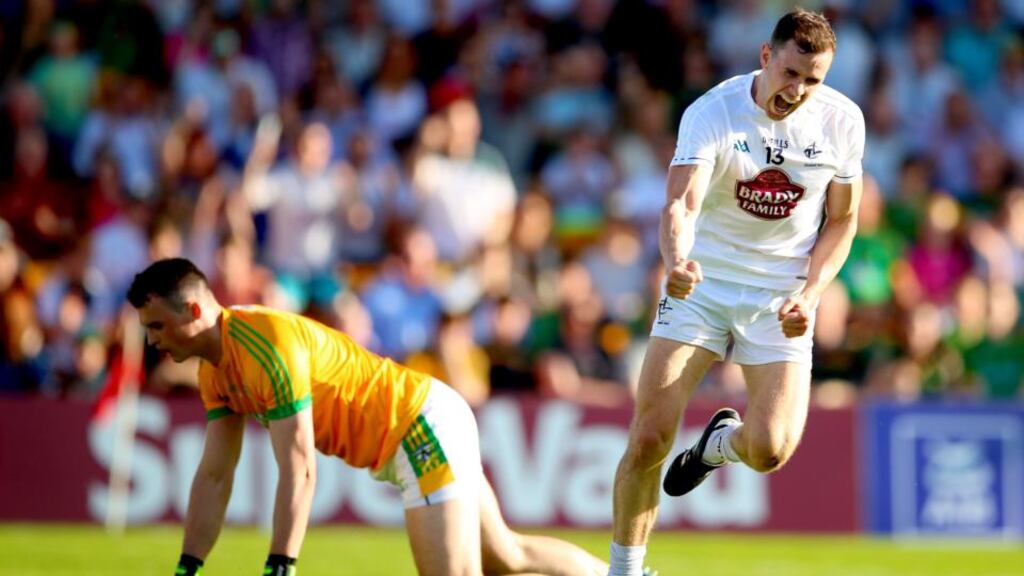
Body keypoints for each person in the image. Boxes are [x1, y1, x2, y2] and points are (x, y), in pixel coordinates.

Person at [127, 258, 608, 576]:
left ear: (193, 310)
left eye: (157, 326)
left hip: (417, 425)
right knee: (506, 555)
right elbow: (214, 475)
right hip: (422, 418)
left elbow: (300, 468)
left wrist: (281, 562)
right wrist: (188, 566)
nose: (152, 340)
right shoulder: (214, 374)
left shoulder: (265, 344)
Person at [608, 9, 864, 576]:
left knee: (770, 450)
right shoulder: (713, 111)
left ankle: (717, 445)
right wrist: (676, 261)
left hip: (781, 293)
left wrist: (811, 294)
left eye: (813, 80)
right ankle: (626, 569)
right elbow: (681, 202)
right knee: (649, 437)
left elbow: (844, 219)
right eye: (790, 73)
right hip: (704, 280)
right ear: (766, 56)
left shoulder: (842, 122)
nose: (797, 91)